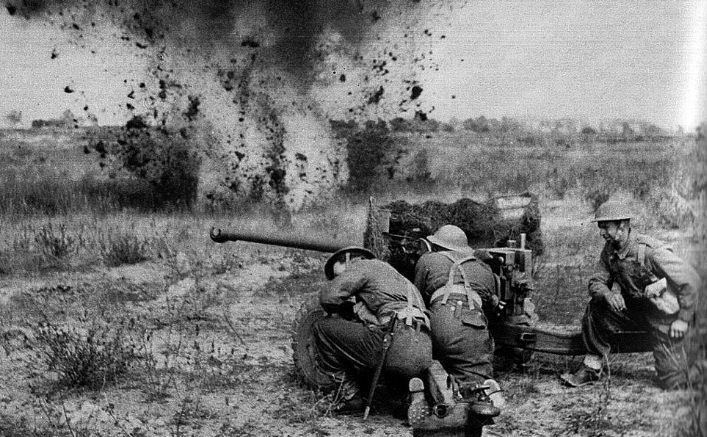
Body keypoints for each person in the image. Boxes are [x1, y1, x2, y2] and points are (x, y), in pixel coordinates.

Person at [561, 200, 702, 389]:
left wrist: (683, 320)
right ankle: (591, 368)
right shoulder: (610, 250)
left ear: (622, 226)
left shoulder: (651, 251)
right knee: (597, 307)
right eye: (600, 227)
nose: (601, 233)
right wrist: (608, 294)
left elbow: (691, 280)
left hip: (664, 318)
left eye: (605, 227)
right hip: (635, 310)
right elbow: (596, 281)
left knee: (673, 382)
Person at [313, 246, 433, 414]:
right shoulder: (398, 278)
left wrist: (342, 308)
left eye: (339, 276)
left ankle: (350, 397)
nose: (338, 280)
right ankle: (403, 399)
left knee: (322, 328)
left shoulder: (362, 266)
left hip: (395, 342)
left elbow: (328, 297)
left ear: (348, 260)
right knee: (372, 333)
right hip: (423, 347)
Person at [413, 225, 505, 413]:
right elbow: (490, 309)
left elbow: (416, 298)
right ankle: (479, 395)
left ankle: (440, 399)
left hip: (442, 321)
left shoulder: (428, 259)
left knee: (430, 360)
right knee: (475, 374)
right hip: (475, 325)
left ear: (437, 245)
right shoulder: (484, 268)